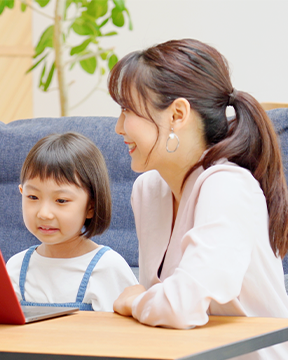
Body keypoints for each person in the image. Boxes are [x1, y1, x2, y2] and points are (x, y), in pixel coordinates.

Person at [109, 39, 288, 359]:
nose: (119, 127)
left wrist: (136, 300)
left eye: (127, 110)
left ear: (177, 114)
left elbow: (181, 307)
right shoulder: (148, 190)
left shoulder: (228, 188)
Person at [6, 132, 137, 311]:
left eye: (61, 200)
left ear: (91, 206)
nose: (44, 214)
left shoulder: (107, 267)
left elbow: (124, 336)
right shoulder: (16, 266)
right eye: (33, 197)